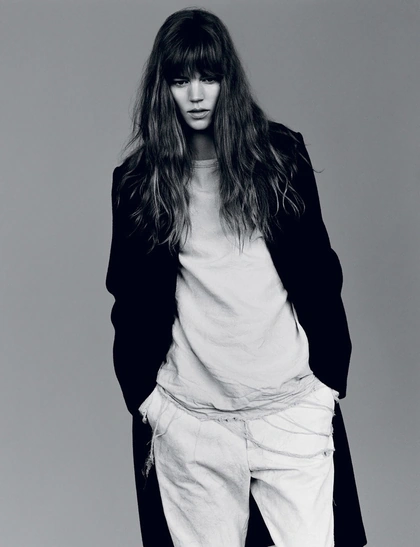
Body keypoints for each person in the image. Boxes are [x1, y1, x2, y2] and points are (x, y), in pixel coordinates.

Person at [106, 7, 366, 547]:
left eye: (209, 77)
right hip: (192, 423)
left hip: (290, 410)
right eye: (181, 80)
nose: (197, 94)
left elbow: (319, 272)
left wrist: (326, 386)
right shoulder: (138, 182)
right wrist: (149, 401)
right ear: (163, 89)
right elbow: (129, 298)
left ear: (228, 80)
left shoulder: (278, 157)